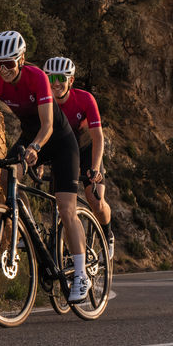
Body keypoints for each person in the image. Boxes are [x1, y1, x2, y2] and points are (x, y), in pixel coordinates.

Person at [0, 31, 89, 303]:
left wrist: (36, 149)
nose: (3, 70)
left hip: (59, 139)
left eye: (9, 64)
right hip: (31, 135)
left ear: (21, 59)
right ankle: (25, 225)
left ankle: (81, 273)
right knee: (8, 178)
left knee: (66, 207)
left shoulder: (37, 77)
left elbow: (48, 125)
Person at [43, 56, 115, 259]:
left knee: (95, 199)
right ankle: (66, 250)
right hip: (62, 152)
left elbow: (98, 137)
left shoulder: (84, 99)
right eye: (50, 78)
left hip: (86, 151)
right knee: (59, 205)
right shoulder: (45, 102)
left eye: (61, 77)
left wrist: (95, 168)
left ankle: (108, 233)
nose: (55, 83)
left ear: (71, 81)